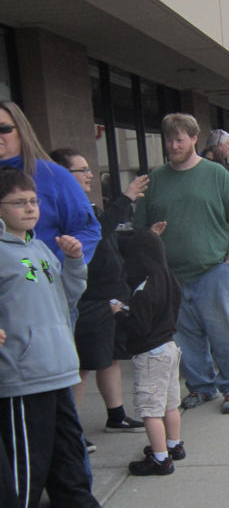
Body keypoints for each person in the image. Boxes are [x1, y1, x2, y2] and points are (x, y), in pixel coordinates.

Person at [132, 113, 229, 415]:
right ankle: (200, 386)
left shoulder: (217, 175)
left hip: (216, 271)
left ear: (194, 138)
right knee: (184, 338)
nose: (173, 145)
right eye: (169, 140)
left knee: (228, 335)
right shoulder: (156, 180)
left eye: (180, 139)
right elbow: (141, 228)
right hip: (171, 276)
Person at [0, 167, 101, 508]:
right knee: (26, 473)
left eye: (34, 201)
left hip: (58, 371)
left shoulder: (42, 249)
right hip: (23, 379)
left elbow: (68, 297)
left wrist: (74, 261)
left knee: (70, 465)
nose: (30, 208)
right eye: (19, 202)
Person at [50, 148, 149, 449]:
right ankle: (72, 434)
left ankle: (116, 416)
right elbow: (97, 232)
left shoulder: (85, 204)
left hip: (111, 293)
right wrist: (126, 197)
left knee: (110, 358)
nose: (89, 175)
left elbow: (108, 240)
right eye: (81, 170)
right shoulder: (61, 208)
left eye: (87, 169)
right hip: (88, 298)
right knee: (82, 366)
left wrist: (146, 238)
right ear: (62, 176)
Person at [111, 230, 184, 476]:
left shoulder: (143, 289)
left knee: (150, 411)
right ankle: (174, 445)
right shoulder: (169, 280)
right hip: (169, 348)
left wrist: (120, 314)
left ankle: (160, 459)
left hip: (151, 355)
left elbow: (139, 327)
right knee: (171, 404)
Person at [0, 101, 100, 266]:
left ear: (21, 131)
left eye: (4, 129)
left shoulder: (53, 175)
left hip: (37, 277)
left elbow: (87, 230)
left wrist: (55, 268)